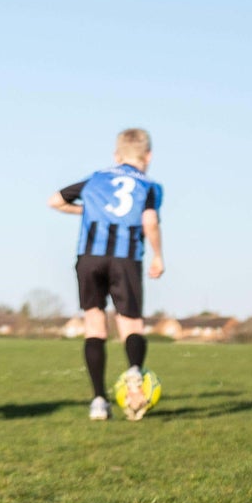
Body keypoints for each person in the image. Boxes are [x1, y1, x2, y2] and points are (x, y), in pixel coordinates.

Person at [48, 129, 164, 421]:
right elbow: (149, 221)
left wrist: (87, 211)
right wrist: (158, 255)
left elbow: (55, 201)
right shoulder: (150, 186)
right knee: (131, 323)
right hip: (125, 258)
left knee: (95, 324)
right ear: (147, 156)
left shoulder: (96, 179)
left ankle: (99, 401)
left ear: (116, 155)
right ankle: (135, 372)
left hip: (89, 257)